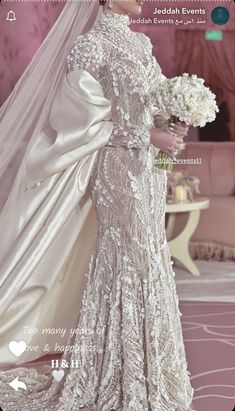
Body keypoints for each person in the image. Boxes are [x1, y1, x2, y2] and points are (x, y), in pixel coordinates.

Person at [0, 0, 194, 410]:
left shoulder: (141, 46)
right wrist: (147, 135)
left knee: (151, 259)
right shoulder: (89, 45)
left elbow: (153, 108)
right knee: (126, 260)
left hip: (149, 170)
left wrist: (172, 121)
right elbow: (79, 122)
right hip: (118, 169)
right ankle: (113, 373)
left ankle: (150, 370)